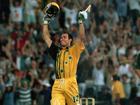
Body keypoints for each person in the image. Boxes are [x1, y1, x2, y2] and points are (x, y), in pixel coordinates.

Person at [42, 2, 87, 105]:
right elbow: (45, 36)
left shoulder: (74, 50)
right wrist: (45, 21)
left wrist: (80, 22)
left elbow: (82, 38)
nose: (61, 38)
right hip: (57, 84)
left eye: (64, 37)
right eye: (61, 37)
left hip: (71, 83)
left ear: (70, 40)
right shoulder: (56, 50)